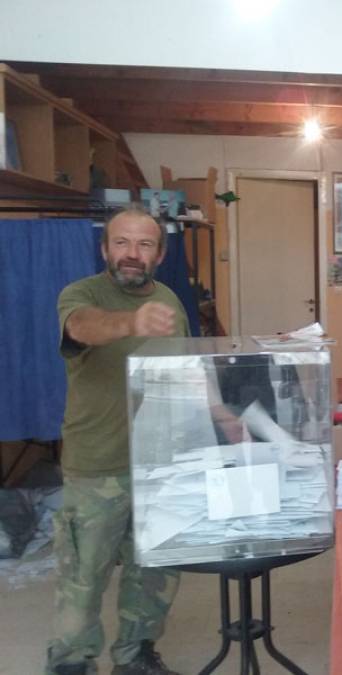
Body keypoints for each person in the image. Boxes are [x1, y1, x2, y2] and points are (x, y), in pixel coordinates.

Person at [47, 207, 189, 675]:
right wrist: (132, 323)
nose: (132, 253)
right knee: (83, 575)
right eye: (122, 242)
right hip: (98, 466)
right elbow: (81, 327)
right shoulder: (82, 294)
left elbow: (185, 367)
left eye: (144, 244)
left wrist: (223, 416)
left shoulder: (169, 299)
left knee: (153, 573)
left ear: (160, 254)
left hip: (160, 465)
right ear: (105, 249)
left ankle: (135, 656)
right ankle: (71, 662)